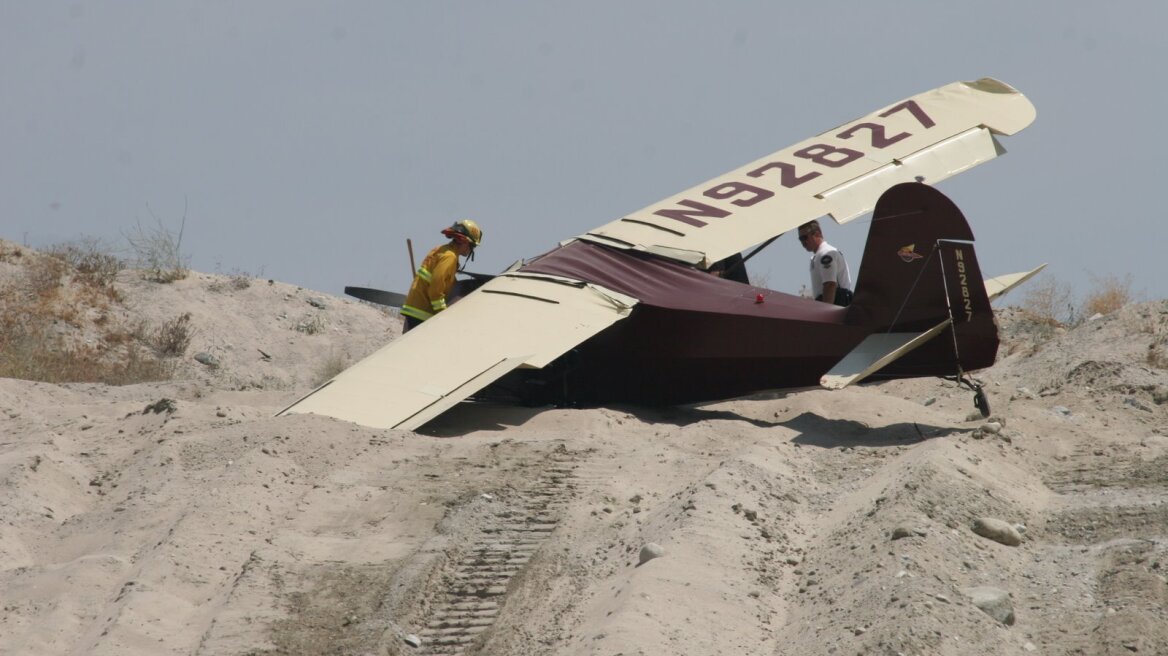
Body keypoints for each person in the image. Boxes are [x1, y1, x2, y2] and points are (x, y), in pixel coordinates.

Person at [401, 219, 483, 332]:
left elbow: (443, 282)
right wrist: (443, 314)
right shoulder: (450, 257)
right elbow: (435, 289)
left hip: (415, 308)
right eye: (472, 245)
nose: (471, 250)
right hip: (422, 313)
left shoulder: (441, 249)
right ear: (464, 241)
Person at [797, 219, 853, 306]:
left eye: (805, 237)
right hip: (834, 302)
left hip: (836, 302)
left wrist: (825, 313)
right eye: (800, 239)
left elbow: (830, 285)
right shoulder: (820, 255)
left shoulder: (825, 254)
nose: (803, 242)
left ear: (817, 233)